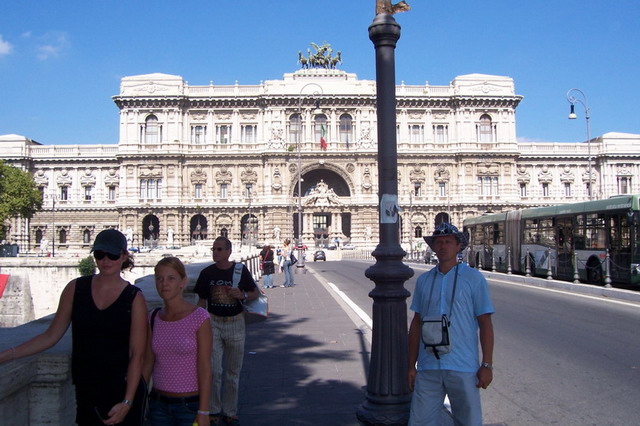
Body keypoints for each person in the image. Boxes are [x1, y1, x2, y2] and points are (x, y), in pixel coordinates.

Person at [0, 229, 148, 425]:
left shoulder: (134, 298)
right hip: (86, 390)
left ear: (123, 256)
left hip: (122, 391)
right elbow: (51, 336)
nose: (105, 260)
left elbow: (137, 355)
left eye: (112, 255)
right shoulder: (75, 289)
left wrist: (127, 402)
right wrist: (8, 354)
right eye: (99, 254)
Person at [407, 223, 495, 426]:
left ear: (458, 246)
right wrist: (411, 365)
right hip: (429, 365)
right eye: (439, 242)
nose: (443, 246)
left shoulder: (474, 279)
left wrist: (487, 365)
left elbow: (485, 323)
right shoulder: (424, 281)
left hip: (463, 366)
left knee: (468, 421)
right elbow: (416, 324)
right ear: (433, 247)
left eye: (448, 242)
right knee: (420, 421)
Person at [193, 236, 259, 426]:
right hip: (213, 323)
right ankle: (213, 409)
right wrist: (196, 326)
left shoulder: (240, 270)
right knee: (214, 370)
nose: (215, 252)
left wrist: (242, 295)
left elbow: (254, 293)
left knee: (232, 372)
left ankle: (230, 411)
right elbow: (201, 302)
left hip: (236, 323)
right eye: (214, 249)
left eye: (219, 249)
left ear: (229, 251)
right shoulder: (207, 273)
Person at [143, 257, 212, 426]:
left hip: (189, 406)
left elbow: (205, 366)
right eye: (159, 279)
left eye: (171, 278)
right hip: (158, 405)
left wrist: (204, 410)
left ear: (183, 282)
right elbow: (148, 362)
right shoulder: (153, 317)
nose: (164, 284)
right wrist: (136, 398)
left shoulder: (199, 317)